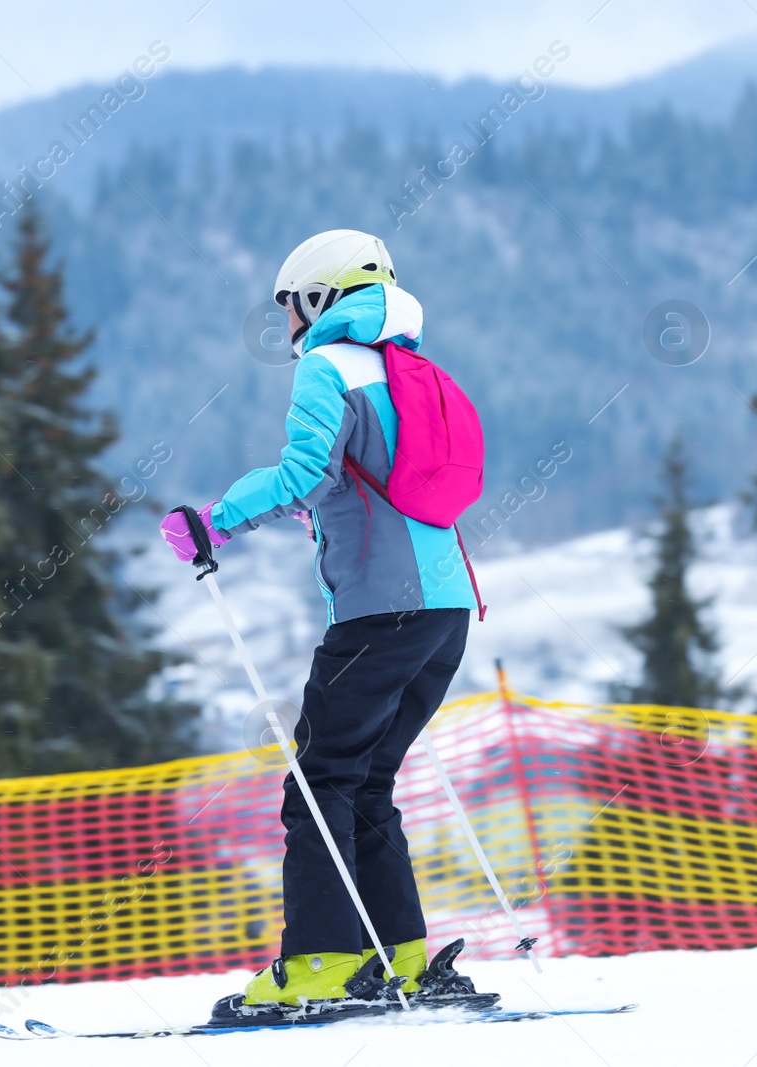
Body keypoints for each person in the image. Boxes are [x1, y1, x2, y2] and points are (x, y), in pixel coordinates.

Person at [161, 229, 481, 1015]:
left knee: (316, 783)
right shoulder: (412, 368)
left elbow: (307, 471)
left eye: (291, 306)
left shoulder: (326, 367)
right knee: (365, 781)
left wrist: (217, 519)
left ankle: (322, 965)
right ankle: (401, 957)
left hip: (379, 610)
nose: (290, 325)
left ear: (317, 297)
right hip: (446, 611)